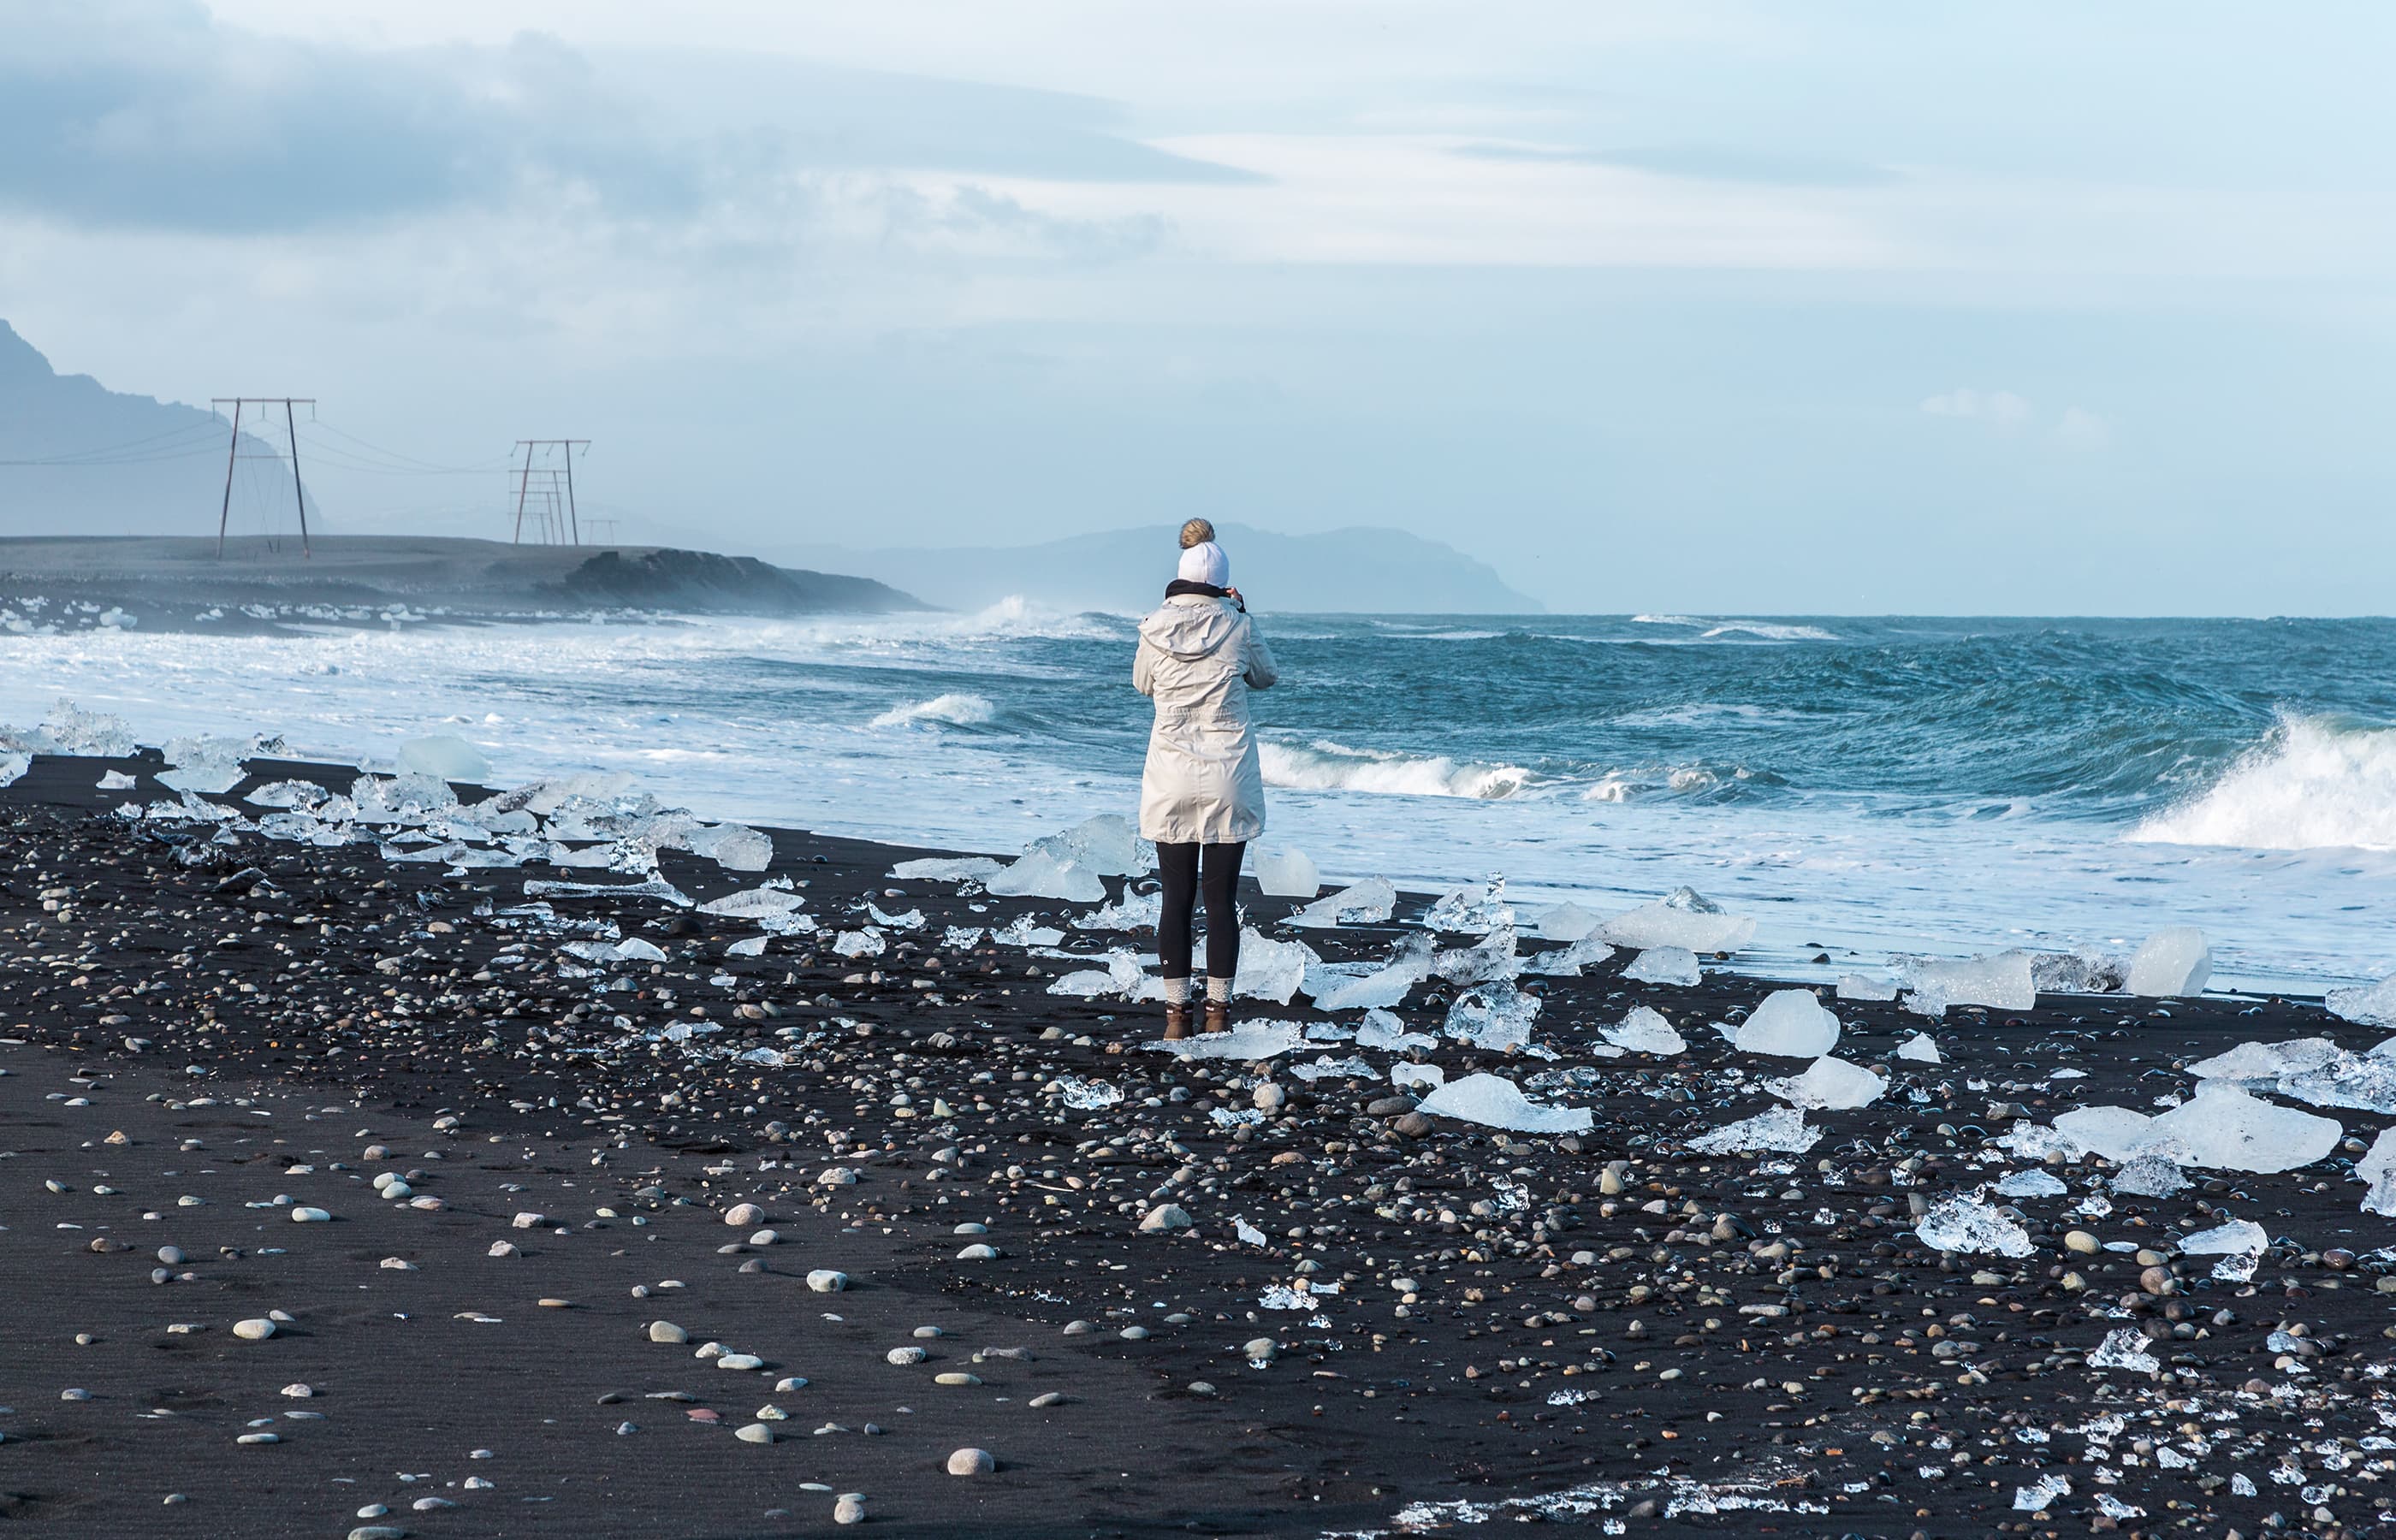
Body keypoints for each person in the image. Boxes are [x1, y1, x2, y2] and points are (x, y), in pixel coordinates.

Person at [1133, 519, 1278, 1039]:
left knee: (1175, 900)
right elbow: (1265, 677)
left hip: (1171, 775)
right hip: (1227, 776)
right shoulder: (1238, 624)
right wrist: (1242, 612)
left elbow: (1142, 684)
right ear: (1223, 582)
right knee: (1219, 903)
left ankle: (1176, 1018)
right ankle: (1218, 1015)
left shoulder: (1154, 626)